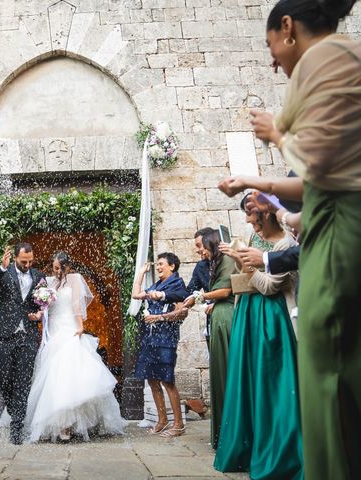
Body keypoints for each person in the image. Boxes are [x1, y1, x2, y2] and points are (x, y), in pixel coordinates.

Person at [248, 1, 361, 476]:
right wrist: (273, 198)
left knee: (327, 370)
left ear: (288, 28)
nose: (273, 59)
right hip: (327, 221)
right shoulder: (344, 57)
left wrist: (276, 133)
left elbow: (317, 164)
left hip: (336, 233)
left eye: (271, 43)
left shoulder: (325, 58)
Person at [214, 199, 302, 479]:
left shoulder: (286, 245)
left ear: (267, 214)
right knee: (248, 382)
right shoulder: (255, 236)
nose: (251, 227)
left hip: (272, 319)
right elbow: (243, 277)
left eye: (254, 220)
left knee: (271, 385)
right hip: (248, 314)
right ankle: (246, 450)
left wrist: (246, 263)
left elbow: (268, 287)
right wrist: (240, 260)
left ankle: (278, 454)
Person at [25, 252, 126, 442]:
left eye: (58, 268)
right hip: (53, 331)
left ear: (66, 267)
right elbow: (43, 307)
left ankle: (67, 425)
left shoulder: (75, 279)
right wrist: (38, 315)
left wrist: (80, 326)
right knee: (52, 375)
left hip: (69, 329)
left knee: (68, 374)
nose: (55, 271)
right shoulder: (48, 282)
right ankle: (56, 423)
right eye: (53, 267)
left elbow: (76, 304)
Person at [0, 243, 44, 444]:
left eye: (30, 261)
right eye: (23, 261)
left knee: (23, 379)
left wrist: (40, 314)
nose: (27, 264)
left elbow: (43, 304)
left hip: (28, 335)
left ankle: (17, 425)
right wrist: (0, 268)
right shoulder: (5, 272)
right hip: (4, 333)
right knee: (3, 374)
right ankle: (12, 407)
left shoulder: (38, 276)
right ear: (15, 258)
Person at [183, 230, 236, 449]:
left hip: (226, 320)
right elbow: (189, 289)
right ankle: (223, 430)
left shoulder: (227, 259)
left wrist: (201, 297)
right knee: (219, 373)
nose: (198, 250)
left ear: (209, 243)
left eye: (199, 245)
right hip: (214, 323)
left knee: (228, 373)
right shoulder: (203, 266)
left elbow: (227, 290)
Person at [131, 253, 189, 437]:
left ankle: (178, 424)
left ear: (172, 266)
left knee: (167, 380)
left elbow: (182, 313)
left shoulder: (178, 285)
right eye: (157, 264)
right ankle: (162, 420)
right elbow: (135, 294)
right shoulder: (156, 286)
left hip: (166, 338)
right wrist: (141, 272)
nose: (158, 267)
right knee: (152, 379)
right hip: (150, 337)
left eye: (161, 264)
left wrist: (158, 317)